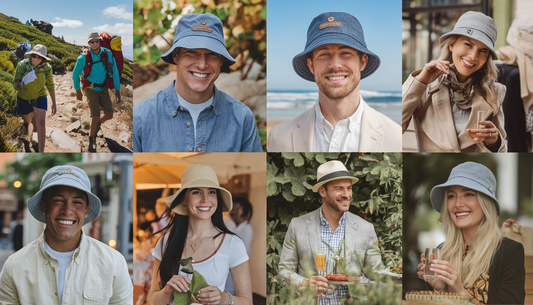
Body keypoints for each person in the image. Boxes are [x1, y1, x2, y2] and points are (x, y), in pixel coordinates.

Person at [267, 12, 402, 152]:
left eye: (345, 53)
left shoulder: (396, 138)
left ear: (362, 62)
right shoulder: (278, 138)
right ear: (311, 65)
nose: (335, 64)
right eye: (324, 54)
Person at [0, 165, 133, 304]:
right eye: (58, 200)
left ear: (86, 210)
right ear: (43, 206)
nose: (67, 210)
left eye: (77, 202)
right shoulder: (15, 266)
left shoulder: (114, 263)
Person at [133, 13, 262, 153]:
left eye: (212, 54)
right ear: (176, 56)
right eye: (191, 52)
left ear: (221, 61)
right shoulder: (140, 118)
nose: (202, 64)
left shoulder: (242, 117)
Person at [417, 162, 525, 304]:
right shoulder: (442, 251)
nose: (457, 204)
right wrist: (439, 289)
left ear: (486, 202)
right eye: (451, 196)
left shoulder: (510, 252)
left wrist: (460, 292)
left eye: (468, 194)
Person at [278, 160, 386, 304]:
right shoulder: (297, 226)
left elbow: (378, 278)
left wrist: (362, 286)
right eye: (339, 189)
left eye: (349, 188)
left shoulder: (365, 229)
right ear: (322, 191)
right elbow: (283, 272)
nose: (347, 194)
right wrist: (303, 283)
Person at [402, 11, 507, 152]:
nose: (473, 56)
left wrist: (495, 142)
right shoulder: (426, 86)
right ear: (452, 44)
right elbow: (393, 127)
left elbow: (503, 149)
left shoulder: (493, 92)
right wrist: (420, 82)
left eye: (483, 50)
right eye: (468, 44)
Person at [149, 164, 252, 305]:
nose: (205, 199)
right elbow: (152, 301)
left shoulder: (233, 244)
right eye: (196, 192)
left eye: (211, 192)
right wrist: (167, 291)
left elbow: (248, 302)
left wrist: (224, 298)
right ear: (183, 200)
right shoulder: (166, 241)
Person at [72, 32, 121, 152]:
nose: (95, 44)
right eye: (92, 42)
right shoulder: (83, 58)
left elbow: (114, 72)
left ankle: (97, 124)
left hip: (103, 89)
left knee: (109, 114)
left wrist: (117, 90)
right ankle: (91, 140)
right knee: (95, 115)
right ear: (89, 43)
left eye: (97, 41)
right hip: (90, 89)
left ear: (100, 42)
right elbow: (75, 74)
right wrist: (78, 90)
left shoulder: (107, 53)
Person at [13, 44, 56, 152]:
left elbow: (50, 85)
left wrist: (54, 103)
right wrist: (24, 82)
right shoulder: (22, 65)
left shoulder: (47, 68)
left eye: (39, 57)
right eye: (34, 56)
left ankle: (41, 152)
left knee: (40, 123)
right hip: (24, 97)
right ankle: (28, 132)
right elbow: (15, 83)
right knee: (27, 121)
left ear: (43, 59)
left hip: (40, 96)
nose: (36, 59)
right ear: (31, 55)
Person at [224, 197, 253, 295]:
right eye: (233, 208)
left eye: (237, 209)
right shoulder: (230, 223)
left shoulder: (247, 229)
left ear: (246, 212)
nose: (233, 212)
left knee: (230, 292)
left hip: (235, 267)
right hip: (227, 267)